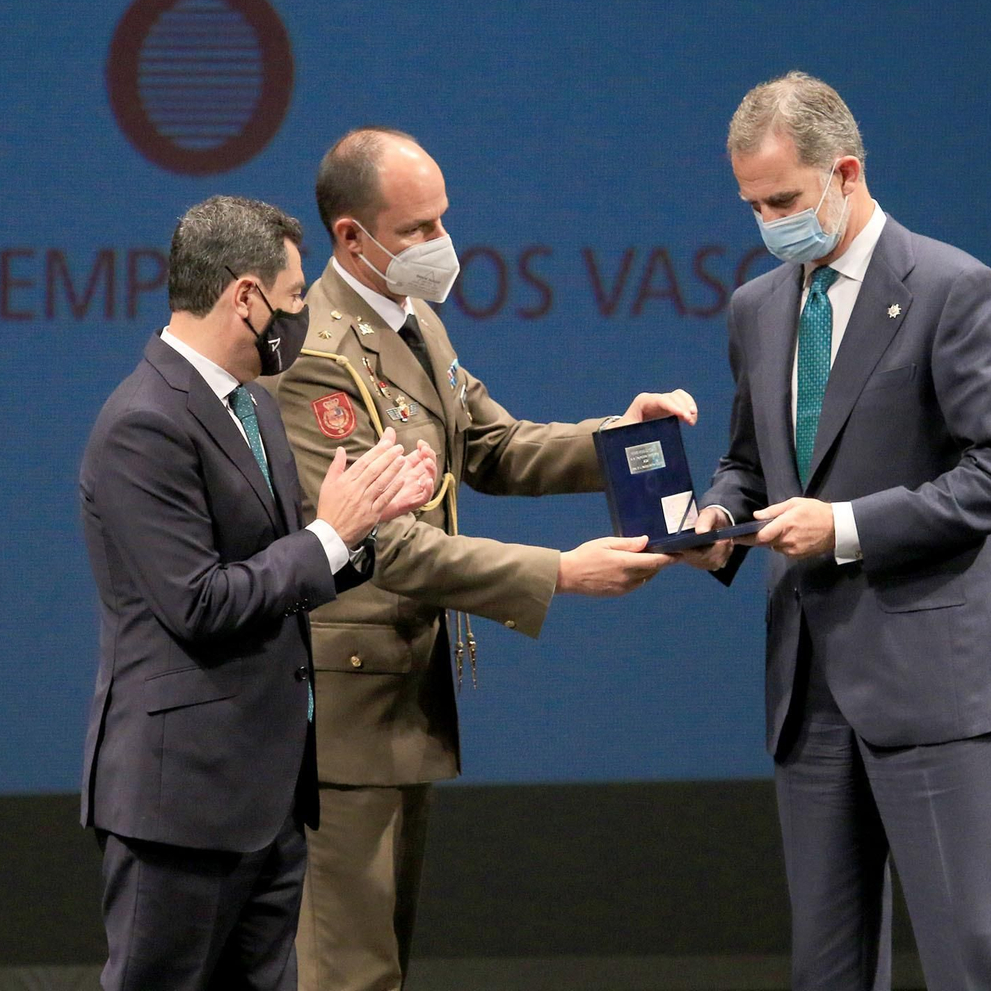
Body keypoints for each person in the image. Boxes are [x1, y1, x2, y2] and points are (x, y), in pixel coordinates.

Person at [266, 127, 689, 991]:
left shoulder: (417, 321)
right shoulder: (314, 358)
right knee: (349, 974)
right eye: (417, 230)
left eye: (442, 222)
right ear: (352, 237)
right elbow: (381, 545)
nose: (441, 247)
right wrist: (559, 573)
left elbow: (492, 445)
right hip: (348, 716)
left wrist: (622, 438)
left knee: (385, 961)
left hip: (405, 700)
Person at [685, 72, 991, 991]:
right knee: (829, 972)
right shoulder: (758, 308)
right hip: (806, 693)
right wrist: (721, 513)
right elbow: (751, 460)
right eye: (752, 205)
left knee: (974, 961)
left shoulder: (953, 288)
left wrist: (845, 525)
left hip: (932, 688)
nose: (768, 223)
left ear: (845, 172)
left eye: (783, 200)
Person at [79, 194, 436, 990]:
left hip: (270, 797)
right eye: (296, 297)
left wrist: (371, 521)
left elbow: (299, 566)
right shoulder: (143, 423)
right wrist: (331, 535)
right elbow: (197, 603)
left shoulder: (251, 409)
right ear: (247, 296)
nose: (301, 314)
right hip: (182, 803)